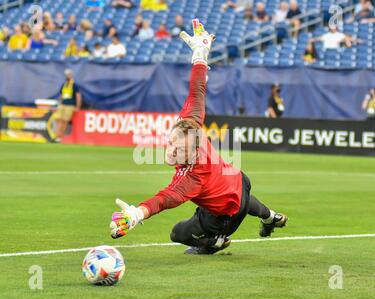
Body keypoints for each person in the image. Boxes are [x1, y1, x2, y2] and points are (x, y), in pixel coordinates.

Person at [110, 20, 288, 255]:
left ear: (192, 153)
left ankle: (215, 241)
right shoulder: (189, 123)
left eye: (179, 150)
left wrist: (136, 214)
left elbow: (164, 199)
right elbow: (197, 89)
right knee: (237, 194)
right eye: (172, 142)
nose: (172, 150)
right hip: (238, 182)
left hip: (223, 216)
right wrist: (200, 52)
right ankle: (270, 216)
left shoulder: (192, 177)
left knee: (178, 234)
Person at [55, 69, 82, 141]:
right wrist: (59, 103)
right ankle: (57, 135)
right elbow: (61, 95)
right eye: (66, 74)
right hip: (63, 104)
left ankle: (60, 137)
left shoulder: (74, 85)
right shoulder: (64, 84)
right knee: (58, 120)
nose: (67, 76)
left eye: (68, 74)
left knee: (64, 121)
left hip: (70, 105)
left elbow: (78, 96)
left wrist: (77, 106)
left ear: (71, 75)